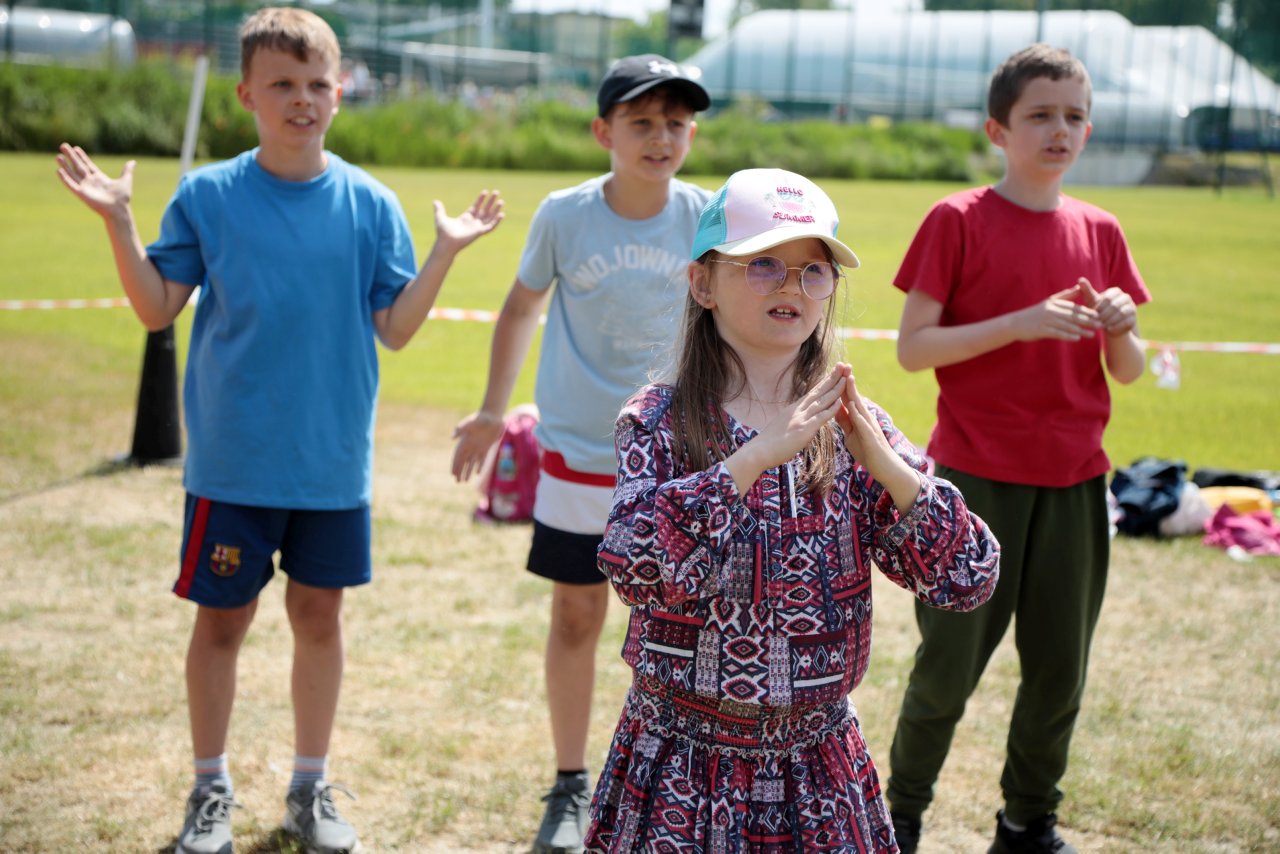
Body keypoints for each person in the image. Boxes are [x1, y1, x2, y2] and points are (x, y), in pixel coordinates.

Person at [55, 8, 502, 854]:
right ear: (246, 96)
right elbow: (156, 307)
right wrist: (118, 219)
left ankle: (309, 787)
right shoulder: (209, 196)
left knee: (319, 620)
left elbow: (397, 329)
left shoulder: (371, 203)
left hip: (330, 465)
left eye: (317, 84)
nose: (302, 99)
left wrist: (444, 253)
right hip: (233, 464)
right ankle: (209, 790)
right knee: (221, 624)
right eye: (283, 84)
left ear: (340, 92)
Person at [586, 167, 1001, 852]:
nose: (792, 287)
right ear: (702, 284)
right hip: (683, 764)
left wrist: (889, 469)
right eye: (763, 265)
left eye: (814, 271)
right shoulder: (658, 420)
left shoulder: (853, 427)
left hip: (817, 766)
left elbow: (968, 578)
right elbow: (637, 570)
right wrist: (752, 459)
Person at [882, 44, 1150, 854]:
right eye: (1039, 115)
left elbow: (1129, 371)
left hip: (1075, 481)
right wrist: (1020, 324)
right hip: (975, 481)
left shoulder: (1101, 230)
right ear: (998, 130)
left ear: (1088, 131)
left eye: (1073, 116)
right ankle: (897, 820)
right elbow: (913, 348)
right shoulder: (957, 219)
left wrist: (1123, 329)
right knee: (947, 668)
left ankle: (1028, 823)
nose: (1058, 130)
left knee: (1059, 671)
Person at [449, 54, 711, 854]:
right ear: (604, 132)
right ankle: (570, 784)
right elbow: (519, 308)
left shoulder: (705, 215)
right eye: (642, 122)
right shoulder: (565, 214)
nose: (660, 138)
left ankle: (680, 779)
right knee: (576, 614)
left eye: (676, 123)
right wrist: (491, 411)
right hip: (578, 457)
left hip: (678, 460)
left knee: (681, 627)